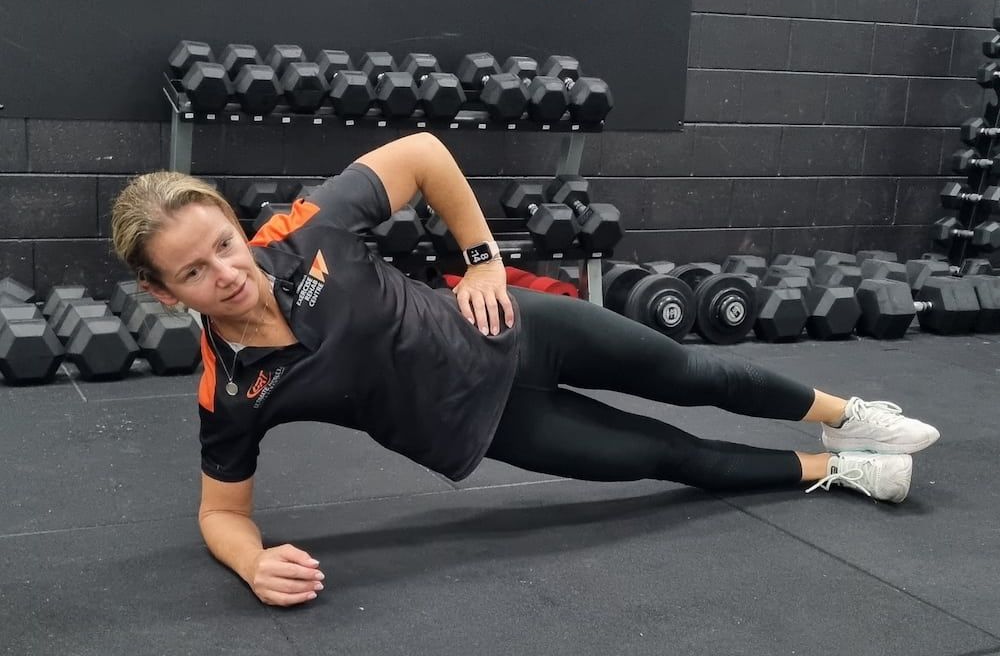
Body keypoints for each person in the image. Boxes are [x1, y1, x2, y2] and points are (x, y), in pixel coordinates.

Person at [110, 133, 939, 607]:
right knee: (665, 456)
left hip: (515, 329)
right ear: (161, 290)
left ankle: (846, 412)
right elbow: (222, 513)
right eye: (192, 272)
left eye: (221, 242)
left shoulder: (306, 230)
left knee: (695, 373)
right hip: (492, 426)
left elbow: (426, 153)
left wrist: (481, 262)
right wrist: (252, 560)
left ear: (229, 218)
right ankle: (842, 469)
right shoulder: (232, 387)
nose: (224, 271)